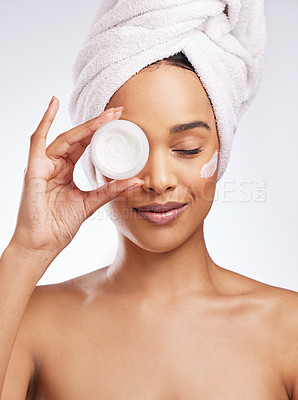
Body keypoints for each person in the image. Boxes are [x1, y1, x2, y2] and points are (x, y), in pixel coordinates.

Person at [1, 50, 298, 399]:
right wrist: (28, 248)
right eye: (129, 149)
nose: (158, 180)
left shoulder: (288, 328)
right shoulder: (25, 320)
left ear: (221, 149)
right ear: (94, 158)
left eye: (187, 149)